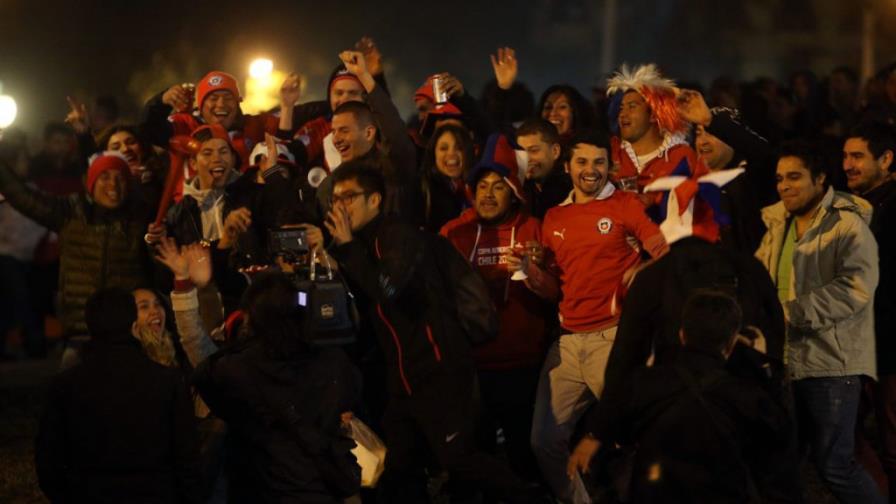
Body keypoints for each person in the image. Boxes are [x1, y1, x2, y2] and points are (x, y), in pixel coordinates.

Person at [325, 162, 541, 502]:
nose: (340, 207)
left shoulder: (397, 234)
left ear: (375, 200)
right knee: (398, 469)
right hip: (403, 380)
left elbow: (387, 288)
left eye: (349, 197)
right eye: (335, 199)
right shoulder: (358, 243)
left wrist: (349, 248)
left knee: (460, 460)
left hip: (438, 369)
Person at [518, 131, 668, 503]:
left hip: (612, 339)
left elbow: (664, 251)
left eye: (599, 162)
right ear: (567, 166)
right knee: (543, 442)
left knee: (640, 435)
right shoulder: (553, 217)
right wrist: (535, 274)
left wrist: (644, 267)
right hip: (567, 343)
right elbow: (557, 287)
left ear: (610, 166)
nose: (591, 170)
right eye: (582, 162)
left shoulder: (625, 205)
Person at [572, 291, 793, 503]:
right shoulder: (746, 396)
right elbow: (780, 442)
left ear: (682, 334)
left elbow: (615, 425)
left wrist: (593, 437)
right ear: (732, 343)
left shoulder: (646, 384)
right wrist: (761, 367)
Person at [755, 140, 884, 504]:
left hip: (832, 363)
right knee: (786, 465)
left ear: (821, 179)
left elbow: (856, 288)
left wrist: (789, 313)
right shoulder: (778, 224)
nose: (784, 186)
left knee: (835, 466)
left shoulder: (846, 226)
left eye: (794, 177)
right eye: (780, 178)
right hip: (785, 360)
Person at [440, 133, 552, 485]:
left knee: (522, 457)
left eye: (498, 186)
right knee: (475, 464)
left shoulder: (533, 229)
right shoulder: (453, 233)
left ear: (513, 191)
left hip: (521, 366)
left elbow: (554, 294)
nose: (488, 194)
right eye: (482, 185)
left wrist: (536, 275)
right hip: (471, 369)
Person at [193, 272, 363, 503]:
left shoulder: (241, 369)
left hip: (268, 486)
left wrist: (244, 341)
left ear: (252, 318)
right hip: (322, 486)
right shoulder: (331, 359)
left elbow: (204, 375)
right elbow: (352, 390)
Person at [35, 287, 202, 503]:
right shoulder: (167, 382)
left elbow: (48, 460)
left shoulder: (65, 385)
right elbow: (187, 457)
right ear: (133, 326)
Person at [0, 152, 152, 367]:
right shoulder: (70, 212)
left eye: (120, 177)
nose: (113, 184)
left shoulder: (141, 220)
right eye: (104, 176)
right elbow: (22, 197)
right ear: (91, 182)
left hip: (128, 336)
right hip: (81, 334)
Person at [843, 122, 896, 499]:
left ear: (887, 159)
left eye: (858, 156)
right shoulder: (857, 208)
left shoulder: (887, 209)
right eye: (845, 156)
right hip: (863, 344)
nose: (847, 164)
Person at [605, 64, 707, 212]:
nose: (622, 114)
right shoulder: (609, 152)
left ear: (653, 114)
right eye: (621, 108)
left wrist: (656, 200)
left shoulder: (683, 157)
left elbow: (698, 206)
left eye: (632, 106)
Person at [421, 123, 476, 232]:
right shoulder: (422, 188)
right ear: (433, 154)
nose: (451, 154)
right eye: (443, 148)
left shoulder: (477, 187)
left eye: (459, 148)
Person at [515, 118, 571, 219]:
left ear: (555, 151)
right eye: (522, 152)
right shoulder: (520, 187)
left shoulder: (571, 191)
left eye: (534, 151)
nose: (527, 159)